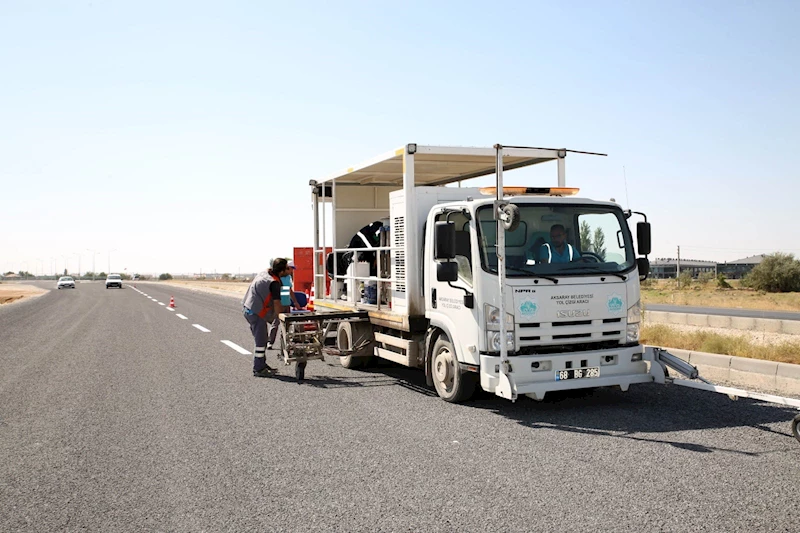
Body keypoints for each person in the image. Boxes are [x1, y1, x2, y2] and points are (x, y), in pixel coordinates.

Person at [242, 258, 291, 377]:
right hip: (255, 311)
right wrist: (281, 317)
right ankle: (258, 369)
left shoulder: (266, 273)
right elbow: (277, 303)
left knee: (262, 339)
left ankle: (262, 365)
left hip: (248, 307)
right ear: (282, 270)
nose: (289, 271)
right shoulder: (273, 283)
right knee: (261, 341)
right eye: (287, 268)